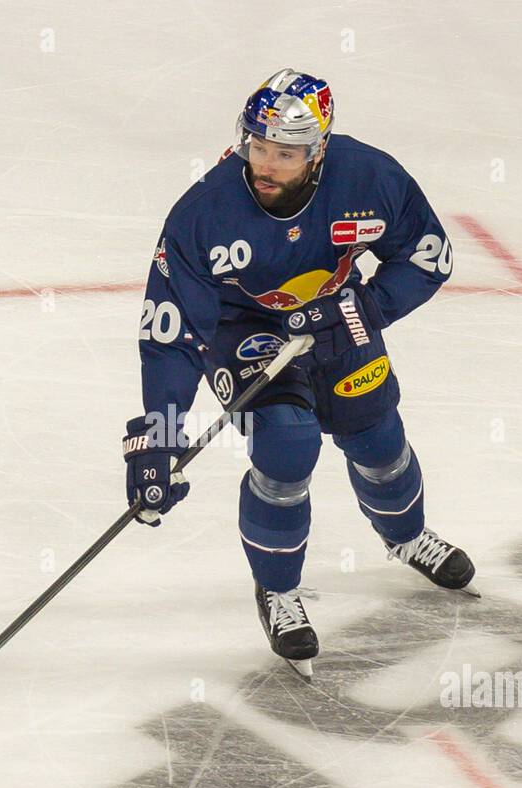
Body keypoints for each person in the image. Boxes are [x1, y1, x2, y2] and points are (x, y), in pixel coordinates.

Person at [122, 68, 477, 676]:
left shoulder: (370, 177)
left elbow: (428, 255)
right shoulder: (203, 214)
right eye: (258, 148)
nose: (266, 165)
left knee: (378, 438)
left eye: (285, 154)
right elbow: (170, 335)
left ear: (318, 152)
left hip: (341, 316)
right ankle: (279, 590)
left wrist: (367, 305)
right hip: (244, 329)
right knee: (285, 447)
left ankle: (407, 535)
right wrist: (158, 437)